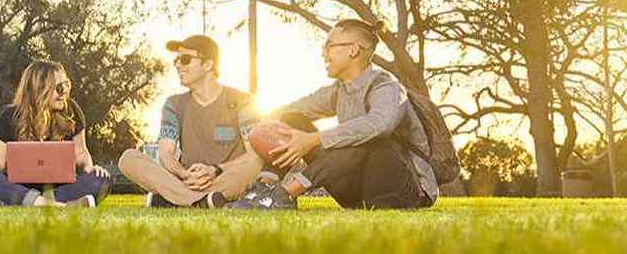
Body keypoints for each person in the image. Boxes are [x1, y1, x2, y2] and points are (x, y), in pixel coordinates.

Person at [229, 19, 438, 210]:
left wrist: (314, 139)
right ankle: (265, 189)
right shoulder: (338, 90)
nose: (323, 53)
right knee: (293, 120)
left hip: (405, 191)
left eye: (329, 45)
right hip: (357, 190)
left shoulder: (387, 86)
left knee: (368, 137)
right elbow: (292, 110)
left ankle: (285, 194)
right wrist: (265, 122)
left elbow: (380, 124)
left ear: (354, 50)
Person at [116, 35, 263, 208]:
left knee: (255, 163)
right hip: (186, 180)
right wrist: (184, 174)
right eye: (176, 60)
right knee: (128, 158)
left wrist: (215, 170)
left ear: (208, 64)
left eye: (185, 60)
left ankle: (174, 199)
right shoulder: (174, 104)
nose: (178, 65)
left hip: (225, 177)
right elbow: (166, 153)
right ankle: (202, 201)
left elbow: (253, 155)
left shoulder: (242, 100)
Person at [0, 60, 112, 207]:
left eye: (66, 85)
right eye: (59, 88)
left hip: (60, 188)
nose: (64, 92)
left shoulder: (72, 111)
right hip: (20, 187)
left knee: (102, 180)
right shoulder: (10, 116)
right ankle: (58, 206)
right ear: (39, 89)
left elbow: (81, 154)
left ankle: (26, 203)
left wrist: (90, 169)